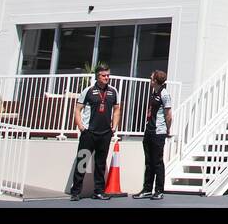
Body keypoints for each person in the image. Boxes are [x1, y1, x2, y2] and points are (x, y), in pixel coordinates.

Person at [70, 64, 121, 201]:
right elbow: (77, 109)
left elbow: (117, 109)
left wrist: (114, 127)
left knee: (100, 163)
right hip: (89, 133)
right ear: (97, 76)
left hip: (105, 133)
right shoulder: (88, 90)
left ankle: (98, 191)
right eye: (104, 75)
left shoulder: (113, 91)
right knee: (82, 161)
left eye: (108, 75)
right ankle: (75, 191)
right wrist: (81, 127)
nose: (106, 78)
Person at [133, 69, 173, 200]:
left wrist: (167, 129)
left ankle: (159, 190)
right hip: (149, 130)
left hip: (158, 132)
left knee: (157, 162)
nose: (150, 80)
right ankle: (147, 189)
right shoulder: (153, 92)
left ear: (156, 80)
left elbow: (168, 115)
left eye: (151, 78)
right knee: (148, 162)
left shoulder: (164, 94)